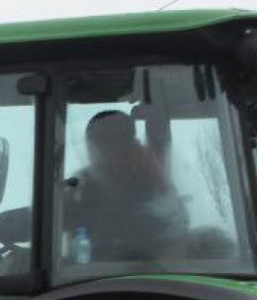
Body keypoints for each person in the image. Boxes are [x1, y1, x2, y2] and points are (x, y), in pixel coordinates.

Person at [63, 110, 183, 263]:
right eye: (97, 144)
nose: (104, 153)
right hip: (88, 279)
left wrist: (158, 179)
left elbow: (175, 225)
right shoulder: (81, 186)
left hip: (150, 274)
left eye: (115, 142)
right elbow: (50, 218)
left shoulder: (149, 179)